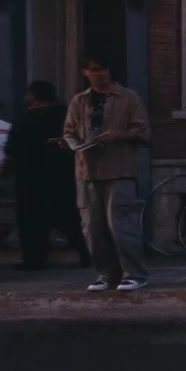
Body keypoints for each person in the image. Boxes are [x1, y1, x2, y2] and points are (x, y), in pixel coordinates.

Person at [63, 56, 151, 292]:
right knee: (93, 228)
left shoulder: (128, 98)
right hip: (87, 172)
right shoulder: (79, 101)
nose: (99, 74)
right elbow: (68, 131)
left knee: (122, 226)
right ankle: (105, 274)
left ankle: (135, 273)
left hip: (119, 170)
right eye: (94, 70)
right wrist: (74, 144)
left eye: (103, 69)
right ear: (85, 72)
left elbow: (143, 131)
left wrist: (119, 135)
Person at [2, 81, 91, 271]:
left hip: (31, 177)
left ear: (33, 96)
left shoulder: (26, 119)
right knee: (71, 219)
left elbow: (12, 148)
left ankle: (34, 259)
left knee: (32, 221)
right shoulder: (66, 115)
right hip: (64, 174)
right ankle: (87, 254)